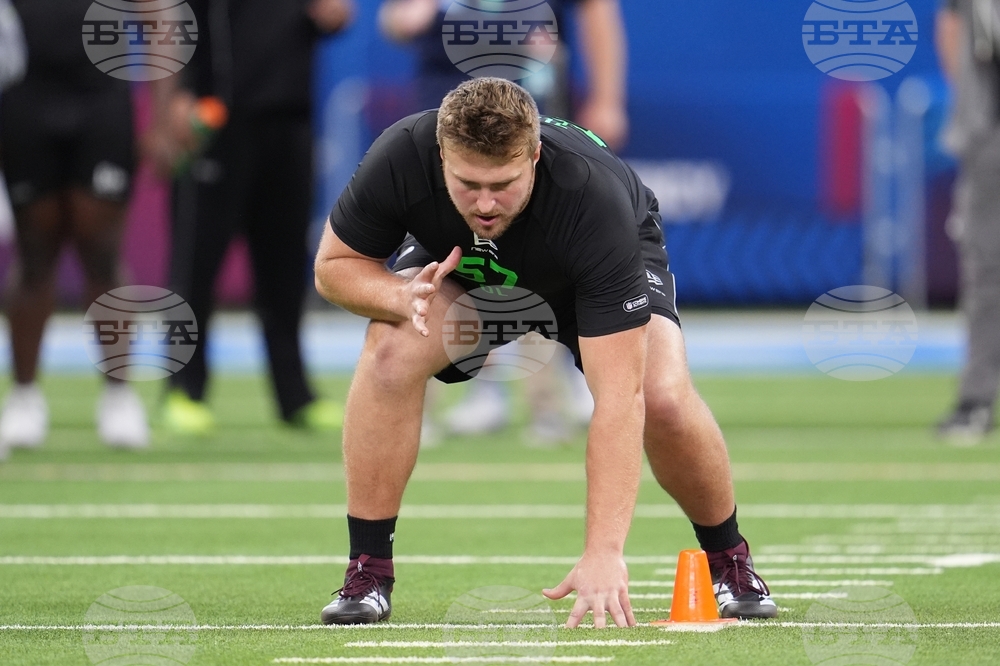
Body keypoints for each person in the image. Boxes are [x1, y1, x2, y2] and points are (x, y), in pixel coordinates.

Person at [313, 78, 776, 626]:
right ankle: (367, 572)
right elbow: (333, 268)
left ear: (534, 155)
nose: (484, 203)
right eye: (466, 183)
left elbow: (618, 399)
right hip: (470, 270)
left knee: (662, 396)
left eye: (503, 183)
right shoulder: (401, 153)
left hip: (583, 274)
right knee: (390, 349)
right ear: (440, 154)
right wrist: (397, 293)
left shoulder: (591, 199)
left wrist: (603, 552)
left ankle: (729, 560)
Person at [378, 0, 628, 444]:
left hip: (528, 123)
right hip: (446, 130)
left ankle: (547, 403)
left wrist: (607, 98)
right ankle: (431, 400)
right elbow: (395, 21)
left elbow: (597, 11)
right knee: (439, 262)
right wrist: (410, 15)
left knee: (541, 259)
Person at [145, 0, 354, 434]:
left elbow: (326, 17)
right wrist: (177, 94)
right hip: (214, 121)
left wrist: (331, 17)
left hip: (290, 118)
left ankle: (294, 396)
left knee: (284, 272)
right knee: (195, 267)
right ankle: (185, 388)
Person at [0, 0, 149, 455]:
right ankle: (24, 396)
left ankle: (118, 395)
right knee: (34, 250)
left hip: (99, 96)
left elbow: (158, 12)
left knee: (101, 251)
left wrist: (163, 110)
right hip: (24, 93)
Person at [935, 0, 1000, 443]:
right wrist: (973, 116)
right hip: (987, 133)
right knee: (986, 270)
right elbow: (952, 22)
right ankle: (976, 400)